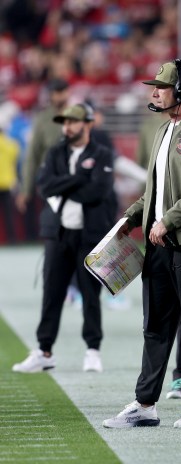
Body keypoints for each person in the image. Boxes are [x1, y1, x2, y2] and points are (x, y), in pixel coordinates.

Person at [102, 59, 181, 428]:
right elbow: (154, 192)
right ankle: (145, 403)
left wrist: (166, 221)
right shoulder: (162, 131)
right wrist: (131, 217)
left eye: (161, 86)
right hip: (159, 242)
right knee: (155, 324)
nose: (154, 92)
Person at [11, 103, 116, 373]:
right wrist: (79, 178)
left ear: (88, 123)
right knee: (52, 293)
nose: (67, 127)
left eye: (73, 121)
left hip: (89, 234)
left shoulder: (102, 153)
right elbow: (44, 185)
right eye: (64, 122)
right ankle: (44, 350)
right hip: (57, 234)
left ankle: (93, 350)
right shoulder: (56, 151)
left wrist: (66, 185)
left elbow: (98, 192)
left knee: (90, 294)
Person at [15, 78, 70, 215]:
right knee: (54, 224)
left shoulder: (78, 116)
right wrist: (26, 189)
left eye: (62, 91)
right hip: (51, 179)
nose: (59, 95)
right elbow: (32, 155)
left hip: (75, 178)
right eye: (56, 92)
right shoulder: (43, 119)